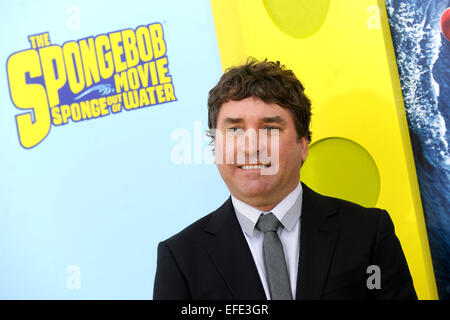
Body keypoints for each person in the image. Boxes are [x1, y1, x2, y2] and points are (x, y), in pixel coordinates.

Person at [153, 58, 417, 300]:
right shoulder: (181, 259)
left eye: (270, 128)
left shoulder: (367, 234)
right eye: (234, 129)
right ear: (214, 145)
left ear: (303, 144)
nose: (251, 146)